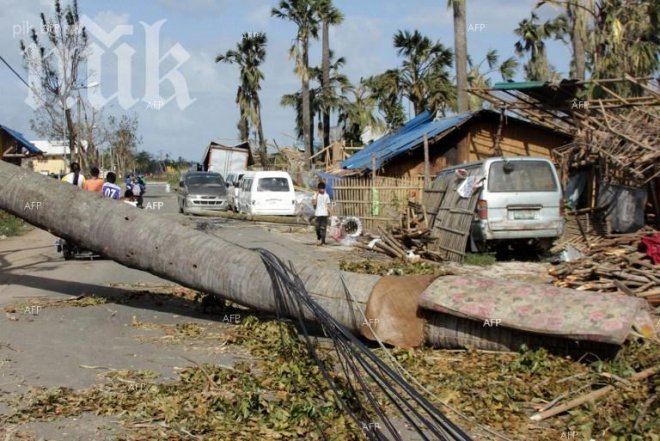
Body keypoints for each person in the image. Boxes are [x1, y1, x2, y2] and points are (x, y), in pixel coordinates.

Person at [312, 181, 331, 246]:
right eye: (321, 188)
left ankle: (323, 241)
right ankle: (319, 238)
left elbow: (328, 205)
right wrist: (317, 195)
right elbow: (314, 204)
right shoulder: (315, 195)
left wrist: (330, 212)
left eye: (323, 188)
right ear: (318, 189)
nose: (322, 190)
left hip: (324, 214)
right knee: (317, 227)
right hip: (318, 214)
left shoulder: (327, 195)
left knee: (323, 228)